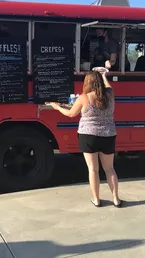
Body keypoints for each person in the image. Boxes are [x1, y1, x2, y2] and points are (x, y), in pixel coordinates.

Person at [50, 70, 122, 208]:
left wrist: (57, 107)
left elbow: (71, 114)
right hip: (108, 135)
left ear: (87, 82)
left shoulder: (84, 97)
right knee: (109, 169)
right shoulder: (109, 95)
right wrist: (104, 76)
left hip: (88, 136)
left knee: (93, 169)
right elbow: (109, 87)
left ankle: (96, 199)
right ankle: (116, 199)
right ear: (100, 82)